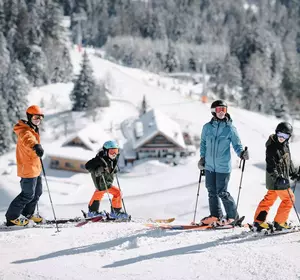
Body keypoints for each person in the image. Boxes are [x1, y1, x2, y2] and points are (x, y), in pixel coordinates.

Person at [198, 100, 249, 226]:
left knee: (222, 192)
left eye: (224, 110)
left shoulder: (230, 129)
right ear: (213, 111)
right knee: (211, 191)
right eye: (219, 109)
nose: (221, 112)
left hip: (222, 167)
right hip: (209, 166)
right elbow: (203, 144)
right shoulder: (207, 127)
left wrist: (242, 153)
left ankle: (233, 217)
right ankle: (216, 216)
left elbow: (237, 145)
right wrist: (202, 158)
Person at [253, 122, 300, 231]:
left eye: (285, 136)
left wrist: (293, 173)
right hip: (276, 179)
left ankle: (258, 221)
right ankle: (280, 222)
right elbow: (271, 166)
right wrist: (278, 178)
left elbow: (288, 161)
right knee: (289, 198)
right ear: (276, 133)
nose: (282, 138)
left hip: (279, 179)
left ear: (289, 137)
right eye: (280, 134)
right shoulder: (272, 147)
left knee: (269, 199)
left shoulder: (285, 145)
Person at [5, 105, 45, 226]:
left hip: (35, 167)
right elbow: (28, 140)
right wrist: (35, 145)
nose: (38, 120)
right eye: (35, 117)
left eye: (40, 118)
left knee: (37, 192)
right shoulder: (25, 130)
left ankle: (28, 214)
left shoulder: (33, 129)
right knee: (27, 195)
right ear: (29, 117)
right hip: (28, 168)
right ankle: (12, 217)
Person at [85, 140, 129, 220]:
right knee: (117, 193)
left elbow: (110, 167)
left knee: (98, 194)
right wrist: (99, 167)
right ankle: (116, 212)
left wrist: (114, 169)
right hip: (102, 182)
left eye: (116, 151)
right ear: (105, 151)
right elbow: (88, 166)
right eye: (112, 151)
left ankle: (92, 211)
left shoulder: (111, 159)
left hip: (105, 182)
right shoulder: (99, 159)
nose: (114, 154)